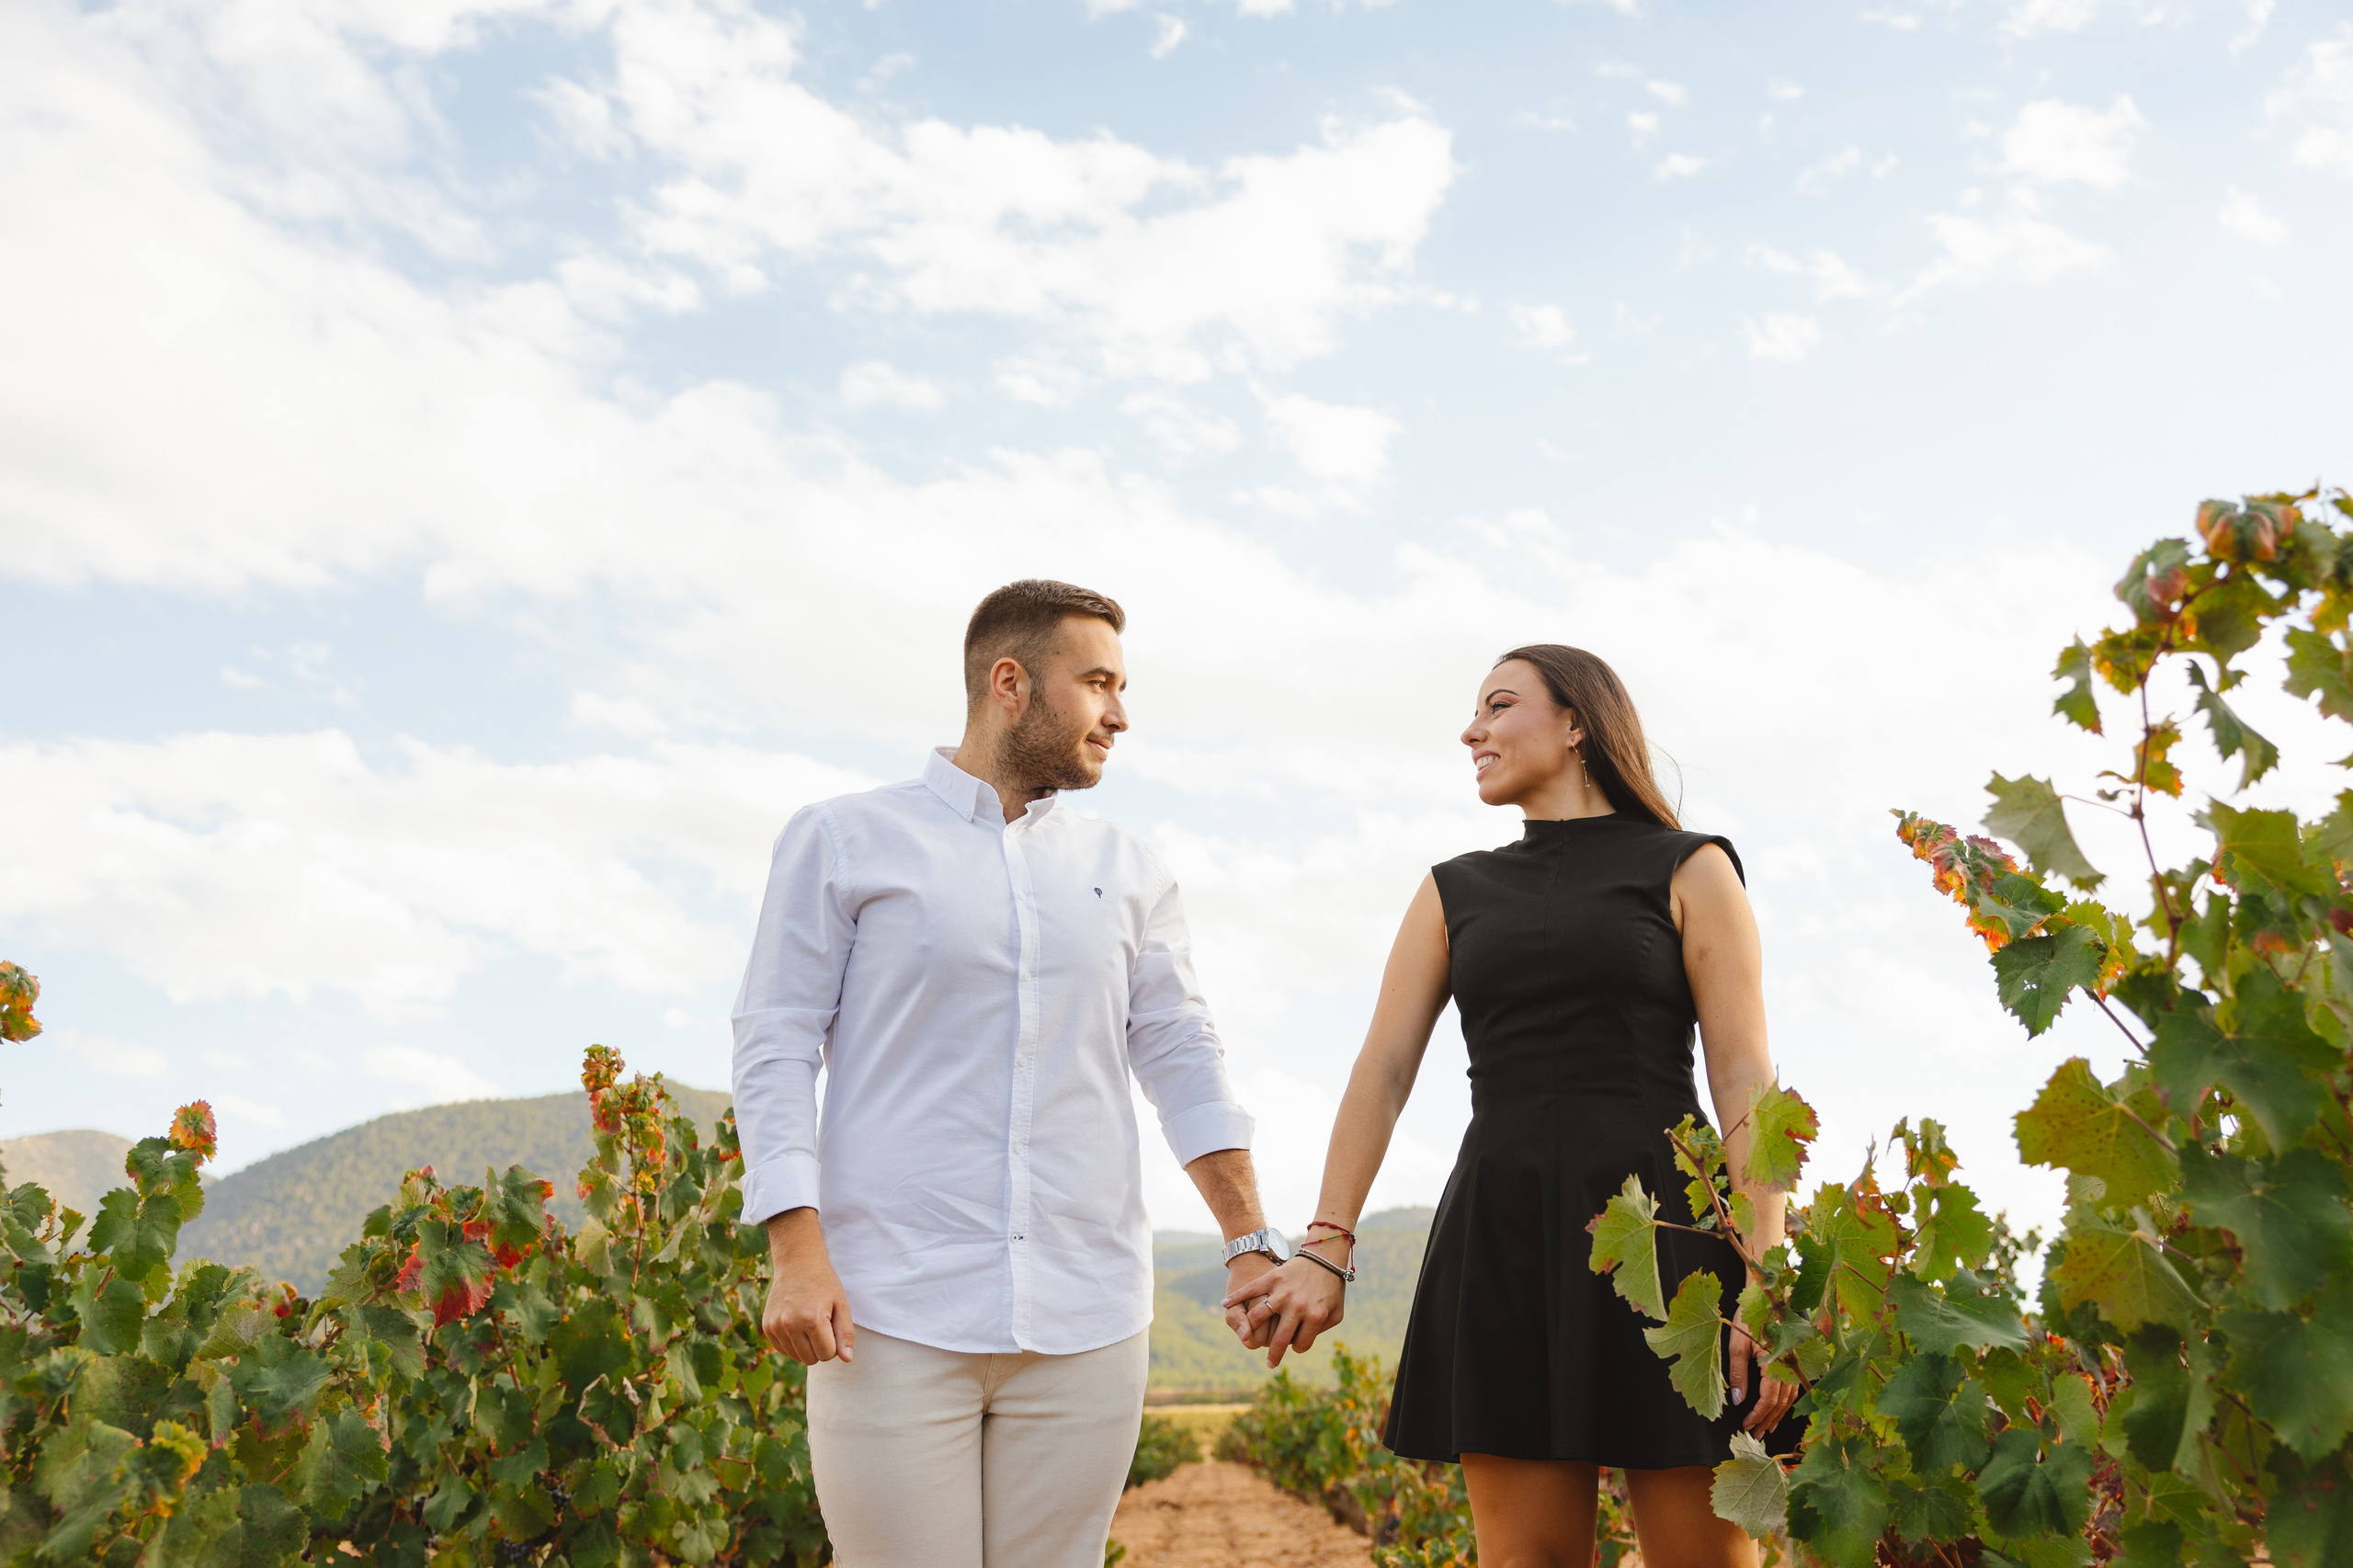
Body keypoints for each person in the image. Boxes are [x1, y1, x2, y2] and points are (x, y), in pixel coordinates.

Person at [731, 580, 1285, 1568]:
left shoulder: (1131, 864)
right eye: (1099, 683)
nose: (1120, 713)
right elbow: (775, 1043)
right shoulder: (844, 836)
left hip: (1088, 1313)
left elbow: (1182, 1051)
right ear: (1009, 683)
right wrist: (795, 1250)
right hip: (890, 1310)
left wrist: (1246, 1234)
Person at [1227, 643, 1801, 1568]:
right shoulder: (1454, 888)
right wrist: (1325, 1241)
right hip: (1503, 1236)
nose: (1471, 729)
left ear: (1578, 724)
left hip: (1675, 1243)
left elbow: (1744, 1078)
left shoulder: (1690, 867)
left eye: (1498, 706)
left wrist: (1766, 1272)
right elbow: (1381, 1067)